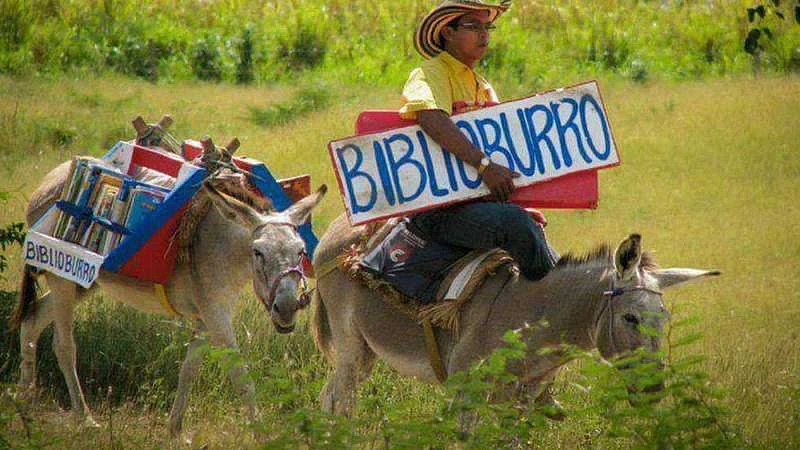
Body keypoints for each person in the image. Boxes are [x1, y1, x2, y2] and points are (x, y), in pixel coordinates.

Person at [399, 0, 557, 281]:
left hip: (479, 203)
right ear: (447, 32)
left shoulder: (483, 85)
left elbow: (504, 153)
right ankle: (549, 310)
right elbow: (431, 117)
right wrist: (484, 165)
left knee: (539, 236)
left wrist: (518, 203)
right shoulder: (430, 72)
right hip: (440, 208)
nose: (484, 34)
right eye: (473, 26)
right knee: (515, 224)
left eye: (488, 27)